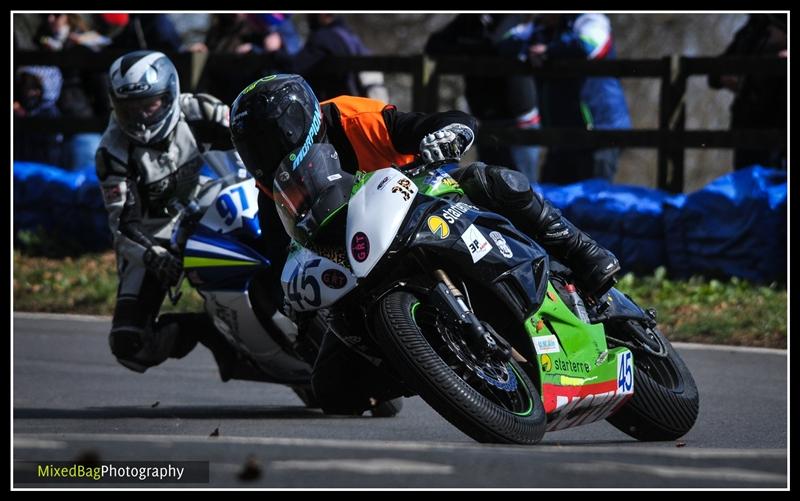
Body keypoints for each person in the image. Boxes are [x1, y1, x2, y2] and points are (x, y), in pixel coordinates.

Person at [228, 74, 621, 412]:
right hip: (366, 270)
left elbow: (428, 124)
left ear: (301, 120)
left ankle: (582, 250)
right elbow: (281, 256)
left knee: (491, 180)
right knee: (332, 391)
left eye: (273, 136)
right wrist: (295, 298)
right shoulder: (272, 186)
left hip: (424, 205)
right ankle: (430, 362)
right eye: (256, 146)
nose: (268, 150)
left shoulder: (349, 117)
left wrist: (448, 134)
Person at [95, 51, 309, 384]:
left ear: (169, 93)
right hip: (159, 236)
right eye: (129, 108)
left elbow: (252, 131)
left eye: (148, 104)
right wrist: (153, 254)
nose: (139, 117)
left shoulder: (198, 109)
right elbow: (122, 221)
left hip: (220, 196)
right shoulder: (113, 151)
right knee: (129, 344)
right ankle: (212, 332)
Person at [425, 13, 542, 183]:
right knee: (489, 182)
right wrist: (471, 48)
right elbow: (434, 45)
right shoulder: (469, 20)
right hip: (485, 114)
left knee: (522, 183)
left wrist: (468, 47)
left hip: (517, 114)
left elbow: (499, 46)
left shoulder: (515, 17)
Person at [527, 13, 632, 184]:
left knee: (593, 197)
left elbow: (589, 46)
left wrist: (549, 50)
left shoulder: (592, 19)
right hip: (562, 133)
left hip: (599, 128)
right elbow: (509, 41)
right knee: (549, 200)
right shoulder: (543, 28)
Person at [707, 14, 787, 170]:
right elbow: (715, 72)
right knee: (748, 185)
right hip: (747, 124)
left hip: (779, 124)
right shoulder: (751, 29)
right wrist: (725, 76)